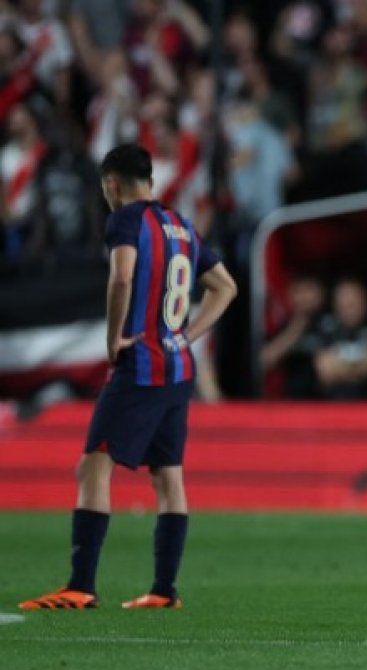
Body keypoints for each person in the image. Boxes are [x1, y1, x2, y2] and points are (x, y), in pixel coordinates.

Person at [18, 143, 237, 610]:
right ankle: (164, 590)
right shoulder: (181, 225)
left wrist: (113, 336)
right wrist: (186, 335)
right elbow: (226, 287)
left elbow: (121, 277)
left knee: (94, 465)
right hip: (178, 369)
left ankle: (80, 585)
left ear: (112, 185)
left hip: (140, 366)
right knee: (168, 476)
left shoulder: (125, 220)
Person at [313, 278, 367, 400]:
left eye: (354, 301)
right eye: (345, 301)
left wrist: (341, 370)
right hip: (332, 404)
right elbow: (325, 370)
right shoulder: (326, 328)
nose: (349, 304)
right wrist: (362, 370)